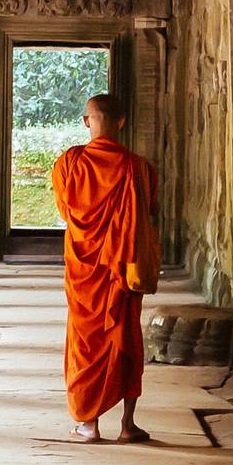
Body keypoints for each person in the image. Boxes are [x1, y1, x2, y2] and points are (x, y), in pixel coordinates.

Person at [51, 93, 159, 443]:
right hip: (120, 272)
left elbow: (66, 211)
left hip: (85, 273)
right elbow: (149, 210)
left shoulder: (70, 163)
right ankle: (128, 426)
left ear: (86, 122)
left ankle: (89, 424)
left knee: (86, 343)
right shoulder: (138, 168)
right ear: (122, 123)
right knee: (126, 341)